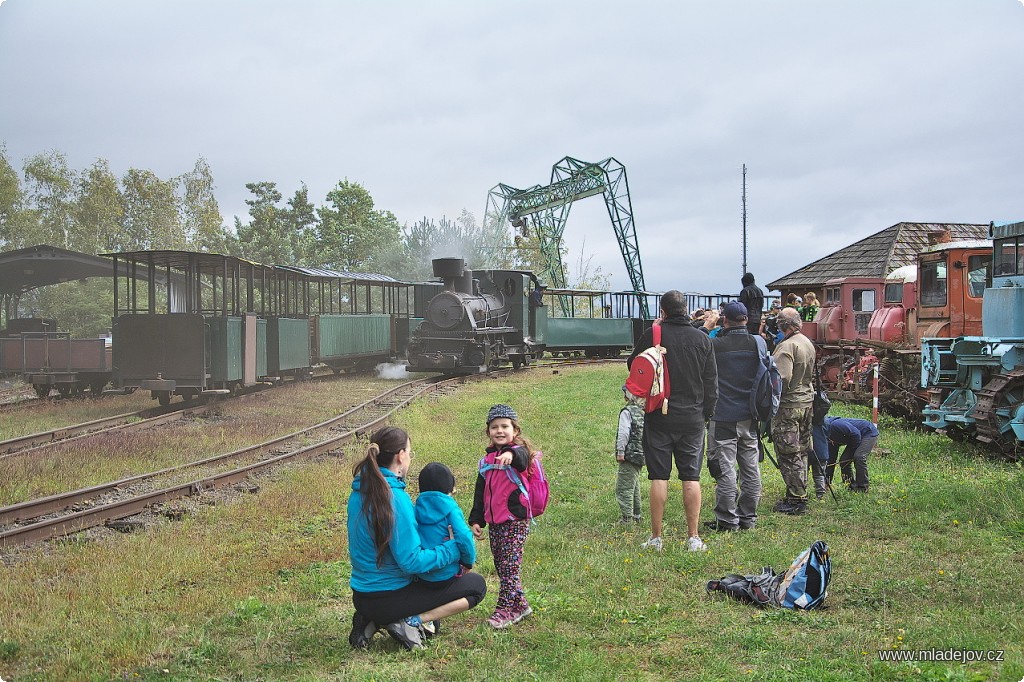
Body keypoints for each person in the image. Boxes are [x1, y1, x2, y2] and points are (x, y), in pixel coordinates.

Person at [347, 427, 486, 651]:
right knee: (476, 586)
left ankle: (370, 620)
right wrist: (452, 549)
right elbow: (412, 561)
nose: (410, 458)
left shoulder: (360, 490)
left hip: (362, 595)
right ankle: (403, 621)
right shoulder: (395, 498)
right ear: (401, 456)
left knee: (435, 625)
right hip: (388, 596)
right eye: (410, 452)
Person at [627, 290, 718, 552]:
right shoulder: (702, 339)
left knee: (659, 476)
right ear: (686, 309)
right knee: (691, 476)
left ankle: (656, 538)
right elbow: (711, 383)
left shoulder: (653, 335)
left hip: (658, 413)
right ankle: (693, 537)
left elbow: (634, 366)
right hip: (692, 416)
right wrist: (706, 414)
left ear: (663, 310)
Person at [469, 404, 539, 629]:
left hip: (515, 520)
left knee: (510, 566)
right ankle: (521, 604)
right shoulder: (486, 461)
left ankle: (504, 610)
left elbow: (521, 456)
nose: (499, 431)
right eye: (494, 427)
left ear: (515, 431)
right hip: (496, 521)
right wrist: (477, 519)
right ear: (488, 431)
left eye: (505, 426)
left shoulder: (519, 453)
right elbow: (480, 493)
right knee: (502, 565)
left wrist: (510, 452)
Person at [704, 302, 764, 531]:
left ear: (724, 321)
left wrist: (706, 326)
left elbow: (697, 345)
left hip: (723, 416)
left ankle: (728, 520)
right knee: (750, 468)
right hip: (751, 415)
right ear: (746, 320)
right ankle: (748, 517)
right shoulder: (758, 343)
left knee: (725, 468)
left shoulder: (716, 345)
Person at [770, 308, 816, 515]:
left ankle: (797, 498)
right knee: (803, 449)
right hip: (806, 402)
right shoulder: (806, 342)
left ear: (783, 325)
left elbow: (782, 378)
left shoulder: (786, 347)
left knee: (788, 452)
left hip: (788, 405)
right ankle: (800, 489)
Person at [414, 462, 476, 582]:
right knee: (477, 584)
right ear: (450, 487)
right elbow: (464, 537)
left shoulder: (415, 509)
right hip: (447, 574)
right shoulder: (451, 510)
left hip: (422, 575)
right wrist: (468, 562)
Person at [821, 416, 878, 491]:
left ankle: (863, 488)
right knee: (844, 461)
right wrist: (827, 483)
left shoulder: (835, 425)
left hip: (867, 432)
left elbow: (856, 434)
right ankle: (850, 486)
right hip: (854, 437)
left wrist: (852, 454)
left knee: (859, 457)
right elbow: (831, 459)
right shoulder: (828, 436)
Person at [614, 385, 645, 524]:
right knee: (634, 485)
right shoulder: (644, 410)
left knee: (624, 487)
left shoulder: (627, 411)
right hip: (642, 453)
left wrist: (621, 452)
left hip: (629, 454)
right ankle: (636, 514)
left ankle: (627, 518)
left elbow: (623, 433)